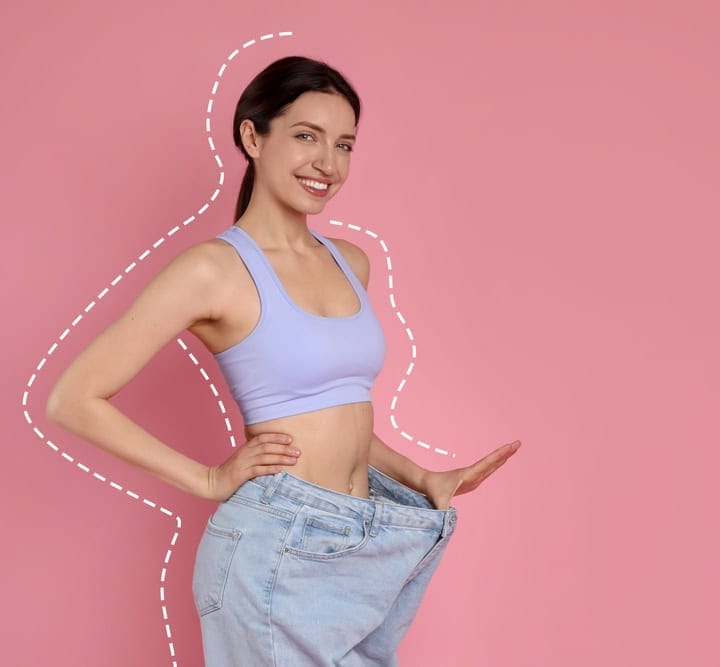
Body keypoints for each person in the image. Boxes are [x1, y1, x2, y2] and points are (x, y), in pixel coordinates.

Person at [45, 55, 521, 666]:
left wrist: (419, 478)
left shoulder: (351, 261)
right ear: (252, 136)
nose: (328, 163)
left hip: (366, 542)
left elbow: (330, 409)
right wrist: (208, 480)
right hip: (277, 546)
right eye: (305, 136)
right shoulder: (212, 270)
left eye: (344, 144)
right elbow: (73, 399)